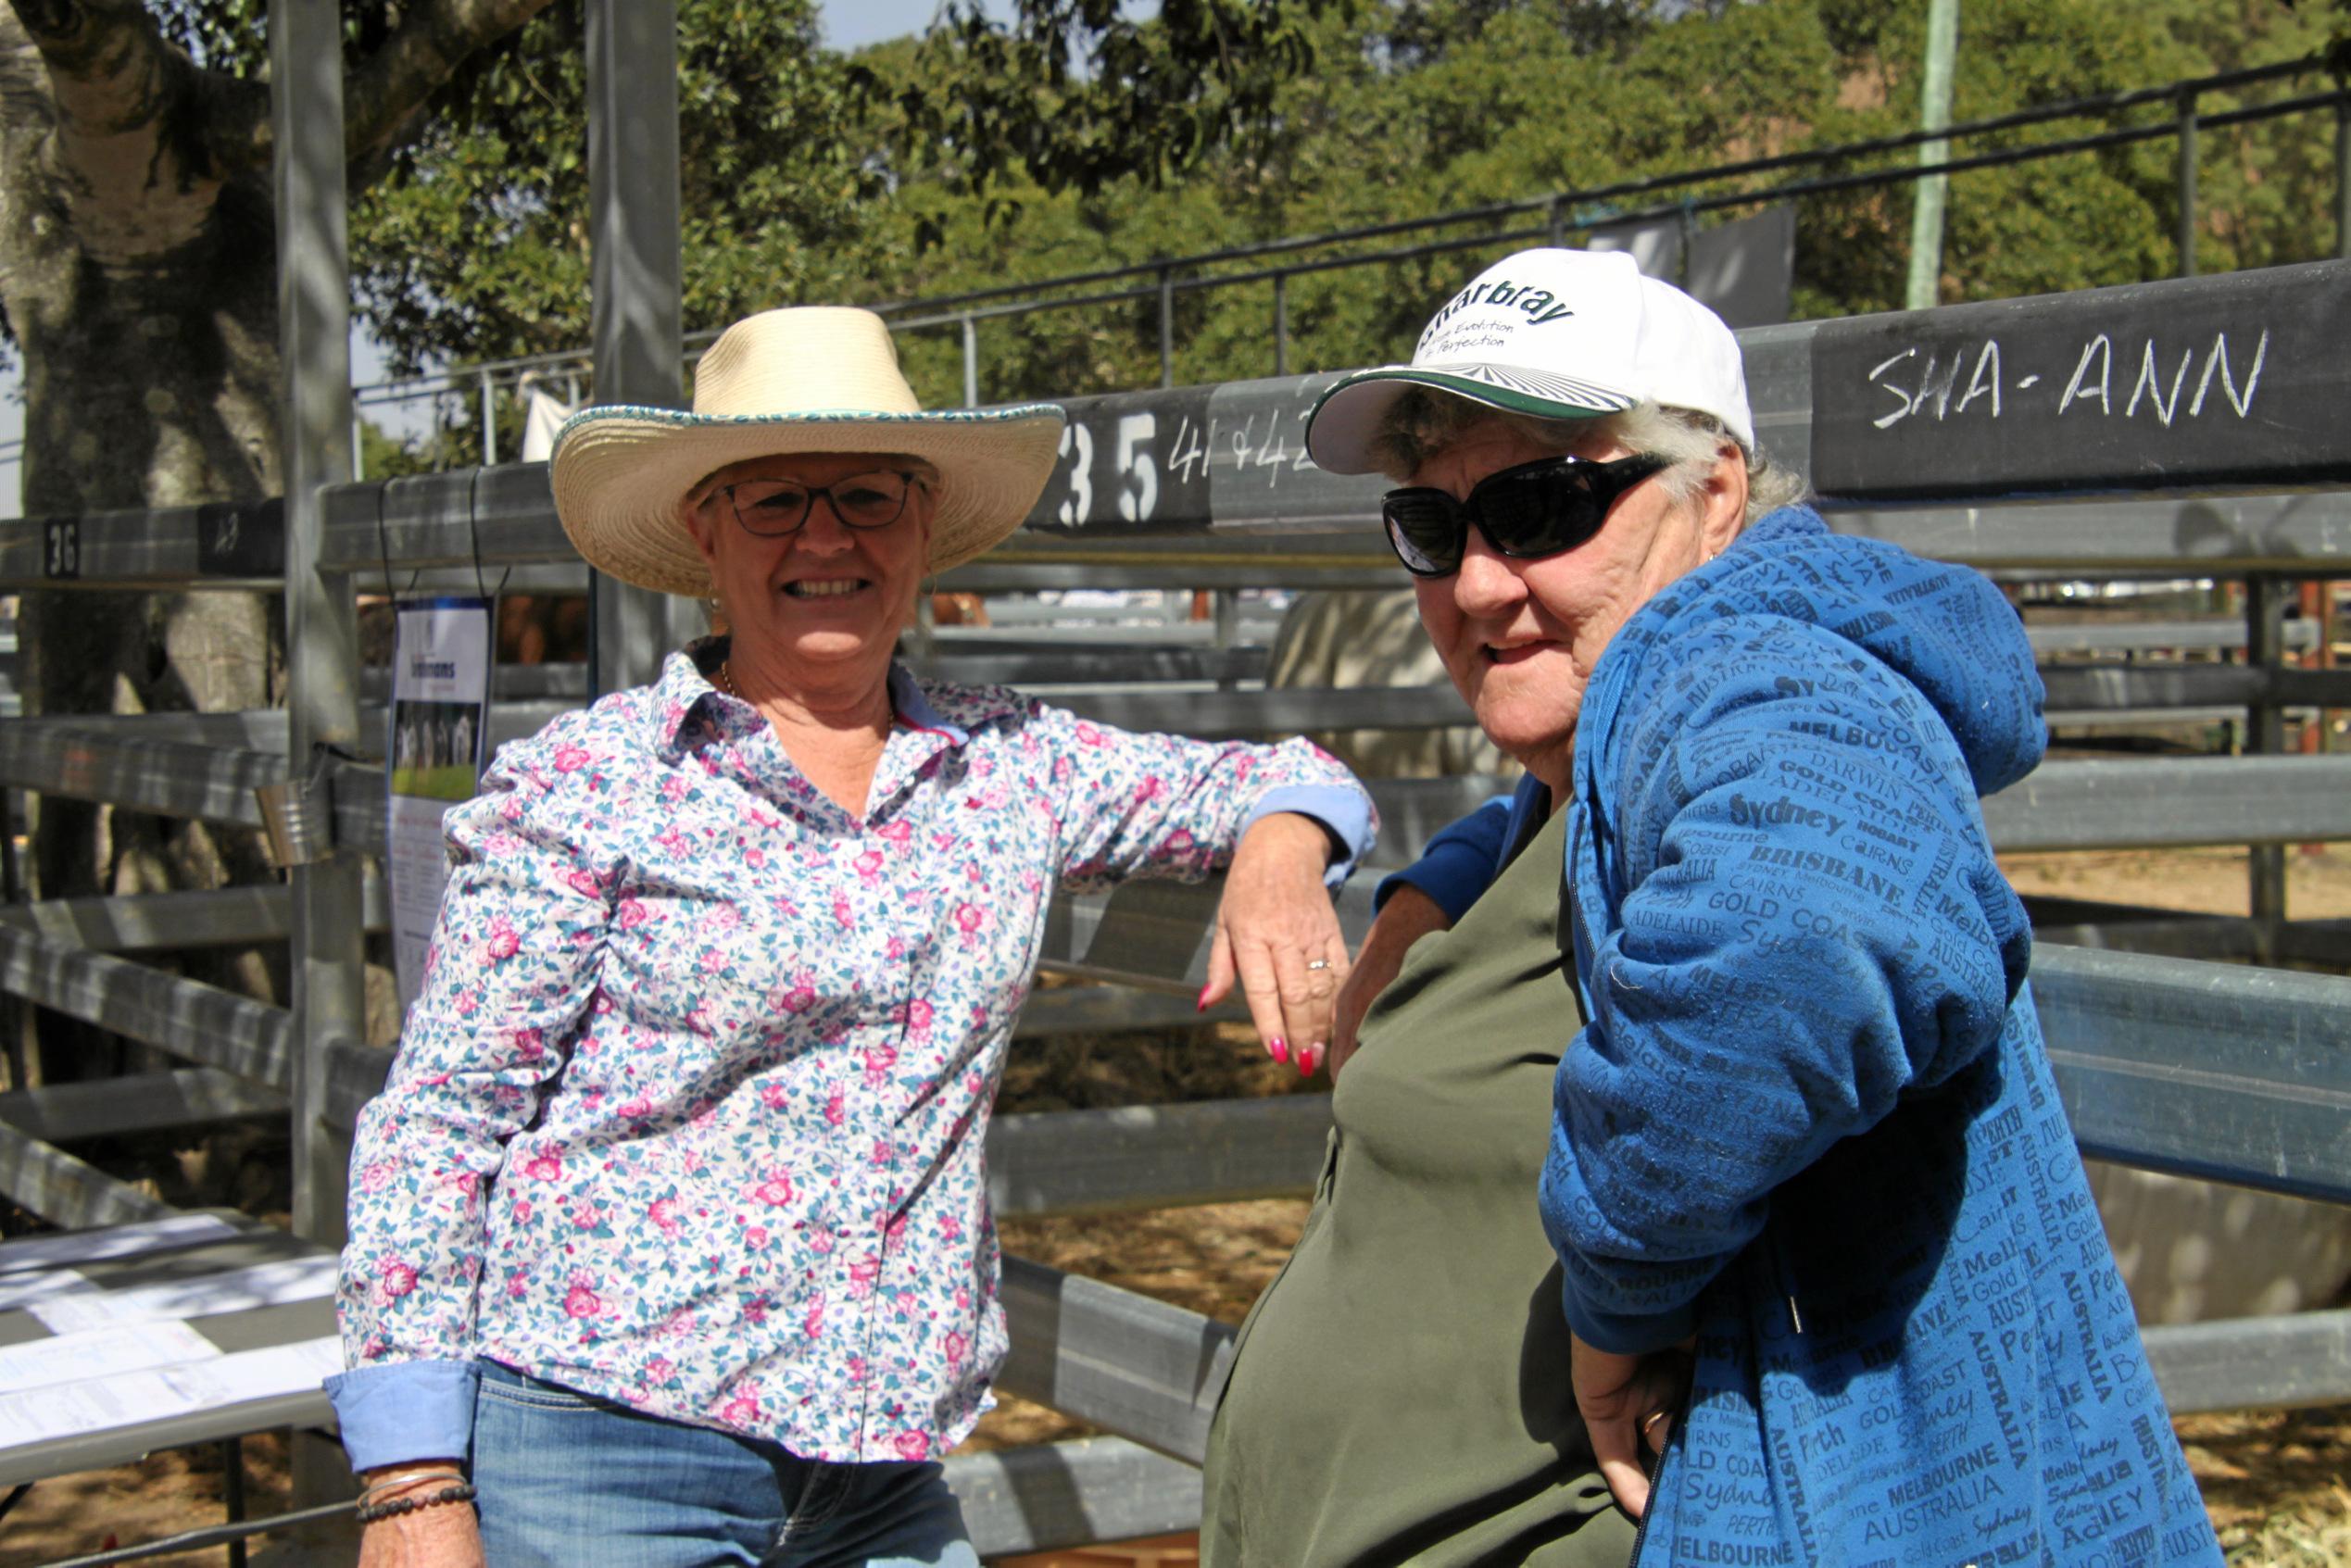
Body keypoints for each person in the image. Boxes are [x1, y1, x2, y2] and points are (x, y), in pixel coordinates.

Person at [1202, 248, 2221, 1566]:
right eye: (1432, 525)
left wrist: (1616, 1298)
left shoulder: (1753, 663)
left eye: (1538, 505)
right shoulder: (1611, 745)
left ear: (1715, 494)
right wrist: (1437, 884)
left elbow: (1806, 929)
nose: (1471, 584)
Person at [329, 306, 1376, 1567]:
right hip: (603, 1443)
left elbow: (1287, 770)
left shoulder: (1008, 761)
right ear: (705, 533)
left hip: (878, 1461)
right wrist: (411, 1483)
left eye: (868, 497)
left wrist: (1278, 850)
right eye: (773, 502)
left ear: (921, 526)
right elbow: (441, 1120)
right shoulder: (587, 785)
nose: (825, 535)